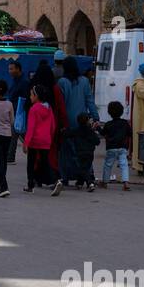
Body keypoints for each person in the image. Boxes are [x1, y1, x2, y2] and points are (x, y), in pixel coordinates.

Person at [55, 55, 98, 189]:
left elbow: (60, 105)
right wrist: (95, 117)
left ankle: (65, 176)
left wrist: (60, 122)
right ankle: (86, 176)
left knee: (66, 151)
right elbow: (90, 101)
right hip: (82, 121)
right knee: (82, 151)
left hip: (67, 121)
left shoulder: (62, 82)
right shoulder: (84, 81)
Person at [53, 113, 99, 195]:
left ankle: (90, 183)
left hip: (80, 152)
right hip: (90, 153)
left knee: (82, 168)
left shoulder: (76, 130)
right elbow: (97, 141)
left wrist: (62, 130)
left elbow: (67, 134)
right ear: (88, 121)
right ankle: (80, 183)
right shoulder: (90, 131)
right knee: (85, 168)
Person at [21, 84, 56, 192]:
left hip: (34, 140)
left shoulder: (34, 109)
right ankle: (53, 181)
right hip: (46, 139)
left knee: (31, 163)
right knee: (45, 161)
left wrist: (26, 143)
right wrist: (50, 137)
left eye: (31, 95)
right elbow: (53, 125)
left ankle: (30, 184)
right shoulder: (49, 108)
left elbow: (31, 128)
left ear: (36, 96)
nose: (30, 97)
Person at [100, 100, 132, 190]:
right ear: (122, 112)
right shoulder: (125, 123)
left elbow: (102, 133)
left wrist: (97, 127)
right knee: (124, 165)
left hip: (111, 148)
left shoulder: (108, 124)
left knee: (108, 165)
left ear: (109, 112)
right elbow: (130, 133)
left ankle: (105, 182)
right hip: (122, 148)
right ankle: (126, 183)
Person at [5, 60, 30, 165]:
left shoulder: (24, 82)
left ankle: (10, 157)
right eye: (9, 69)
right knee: (16, 134)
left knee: (17, 134)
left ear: (18, 69)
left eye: (12, 69)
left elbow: (24, 99)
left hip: (19, 112)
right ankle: (10, 157)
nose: (9, 71)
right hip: (14, 111)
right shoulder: (16, 80)